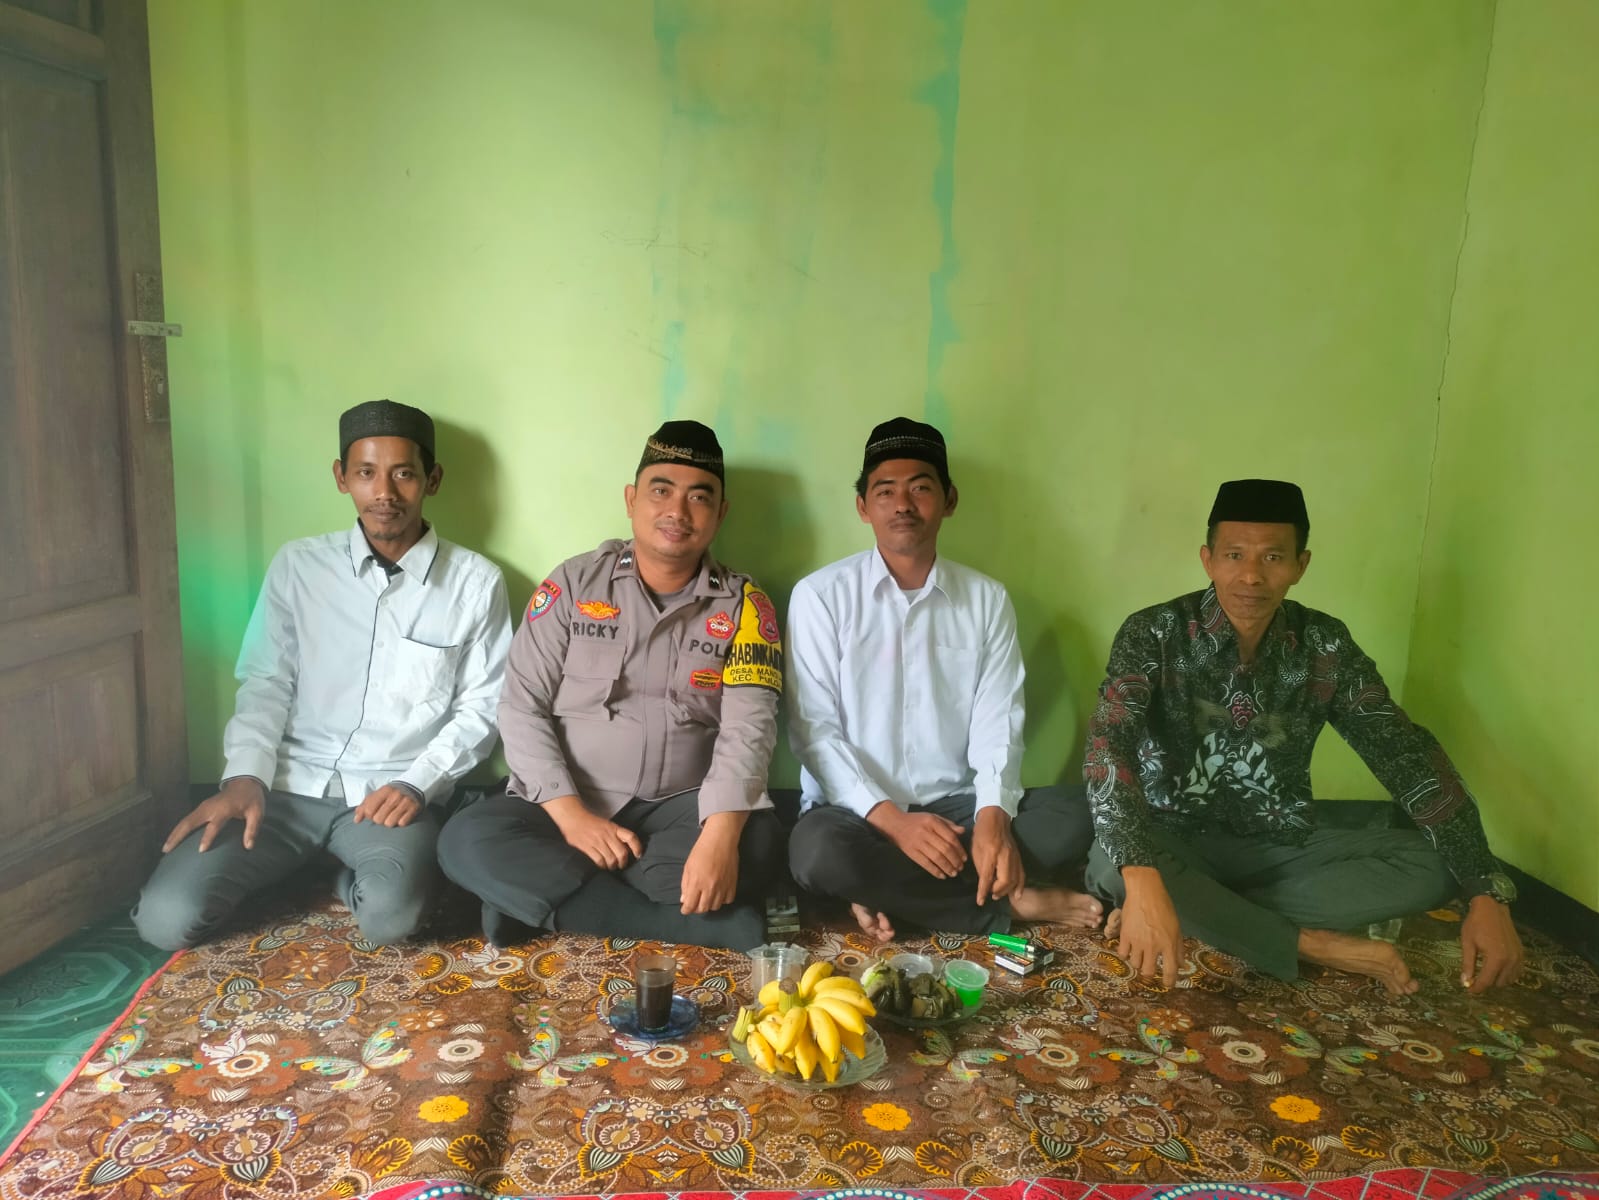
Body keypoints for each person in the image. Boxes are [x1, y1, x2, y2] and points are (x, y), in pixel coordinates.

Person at [1083, 478, 1524, 995]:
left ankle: (1198, 910)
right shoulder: (1153, 631)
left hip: (1278, 847)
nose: (1252, 575)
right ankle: (1307, 943)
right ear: (1208, 560)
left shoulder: (1324, 644)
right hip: (1171, 835)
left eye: (1273, 557)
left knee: (1433, 865)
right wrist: (1142, 875)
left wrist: (1486, 891)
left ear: (1300, 565)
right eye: (1234, 555)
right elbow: (1107, 746)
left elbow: (1403, 753)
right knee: (1113, 863)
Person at [133, 400, 512, 950]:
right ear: (341, 477)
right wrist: (244, 777)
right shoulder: (299, 566)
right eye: (366, 473)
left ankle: (332, 871)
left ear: (432, 479)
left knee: (391, 920)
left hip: (387, 796)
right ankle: (296, 861)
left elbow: (481, 707)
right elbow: (266, 682)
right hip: (284, 789)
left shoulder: (475, 583)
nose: (384, 492)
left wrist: (418, 782)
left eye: (404, 474)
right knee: (165, 921)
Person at [436, 420, 784, 951]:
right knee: (465, 839)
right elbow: (521, 707)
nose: (677, 511)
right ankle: (674, 922)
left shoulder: (746, 606)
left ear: (720, 513)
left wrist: (717, 838)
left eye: (699, 497)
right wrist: (574, 819)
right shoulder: (573, 584)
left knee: (756, 843)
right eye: (661, 491)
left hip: (681, 807)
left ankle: (541, 901)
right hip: (567, 802)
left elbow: (750, 728)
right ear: (631, 499)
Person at [786, 417, 1102, 943]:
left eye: (920, 488)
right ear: (863, 507)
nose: (902, 505)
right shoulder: (821, 596)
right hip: (856, 814)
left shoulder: (986, 599)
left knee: (1079, 815)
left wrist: (993, 820)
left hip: (956, 809)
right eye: (885, 491)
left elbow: (999, 718)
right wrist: (894, 822)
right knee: (816, 853)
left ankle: (881, 892)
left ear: (949, 500)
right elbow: (813, 731)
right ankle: (1010, 906)